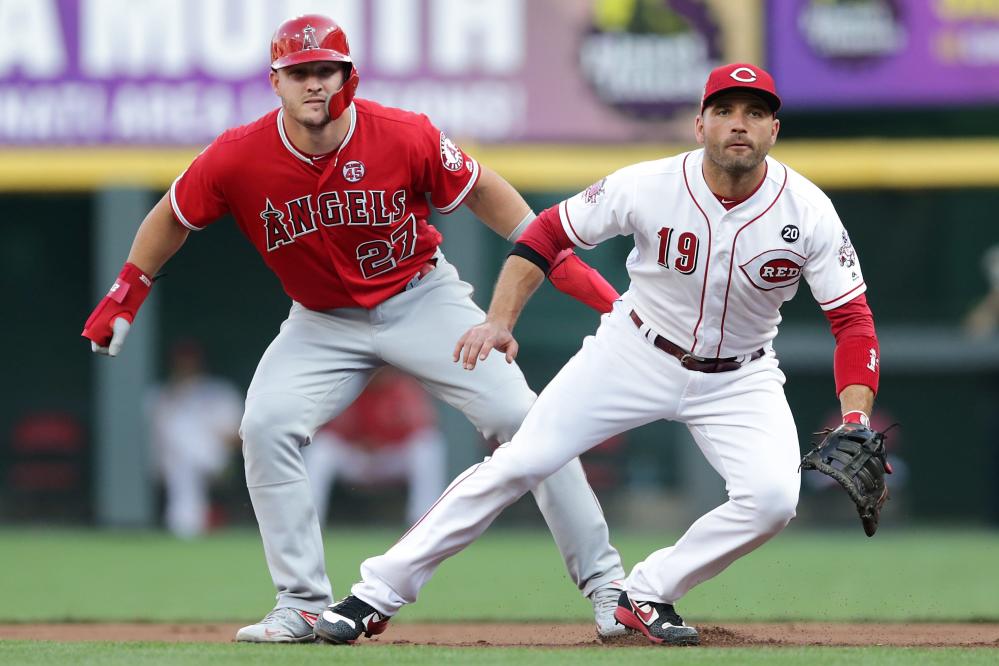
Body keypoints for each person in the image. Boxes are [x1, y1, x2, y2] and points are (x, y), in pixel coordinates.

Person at [81, 14, 627, 644]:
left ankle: (610, 589)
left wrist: (548, 251)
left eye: (325, 71)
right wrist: (128, 288)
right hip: (321, 322)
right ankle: (302, 602)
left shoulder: (402, 134)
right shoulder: (239, 155)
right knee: (264, 425)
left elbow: (482, 190)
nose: (314, 84)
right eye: (299, 73)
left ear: (349, 76)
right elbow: (172, 214)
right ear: (276, 82)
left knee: (529, 423)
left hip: (422, 296)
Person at [316, 63, 882, 647]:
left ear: (774, 131)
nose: (740, 125)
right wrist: (500, 320)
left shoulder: (808, 211)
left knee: (772, 501)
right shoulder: (646, 184)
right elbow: (543, 235)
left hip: (740, 375)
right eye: (726, 112)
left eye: (755, 114)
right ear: (699, 125)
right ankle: (373, 595)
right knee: (520, 461)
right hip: (633, 350)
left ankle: (645, 593)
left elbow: (852, 321)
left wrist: (857, 417)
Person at [304, 368, 446, 526]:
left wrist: (383, 442)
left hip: (389, 459)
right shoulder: (349, 388)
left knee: (427, 446)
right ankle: (308, 523)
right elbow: (331, 429)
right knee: (322, 448)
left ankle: (423, 524)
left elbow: (424, 426)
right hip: (358, 458)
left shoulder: (403, 388)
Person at [146, 340, 242, 538]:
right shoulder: (159, 394)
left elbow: (238, 437)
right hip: (166, 462)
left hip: (215, 460)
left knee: (185, 442)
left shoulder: (220, 391)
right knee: (181, 449)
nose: (186, 365)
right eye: (181, 360)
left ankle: (185, 526)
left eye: (190, 360)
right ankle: (188, 525)